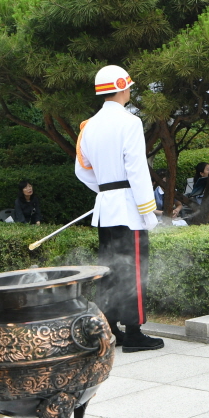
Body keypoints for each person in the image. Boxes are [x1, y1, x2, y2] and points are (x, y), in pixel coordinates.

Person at [74, 65, 164, 353]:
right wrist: (147, 211)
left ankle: (110, 329)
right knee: (134, 270)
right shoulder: (130, 122)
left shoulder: (89, 126)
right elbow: (137, 169)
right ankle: (134, 333)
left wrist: (106, 191)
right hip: (129, 209)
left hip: (106, 208)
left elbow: (81, 170)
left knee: (110, 270)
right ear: (123, 88)